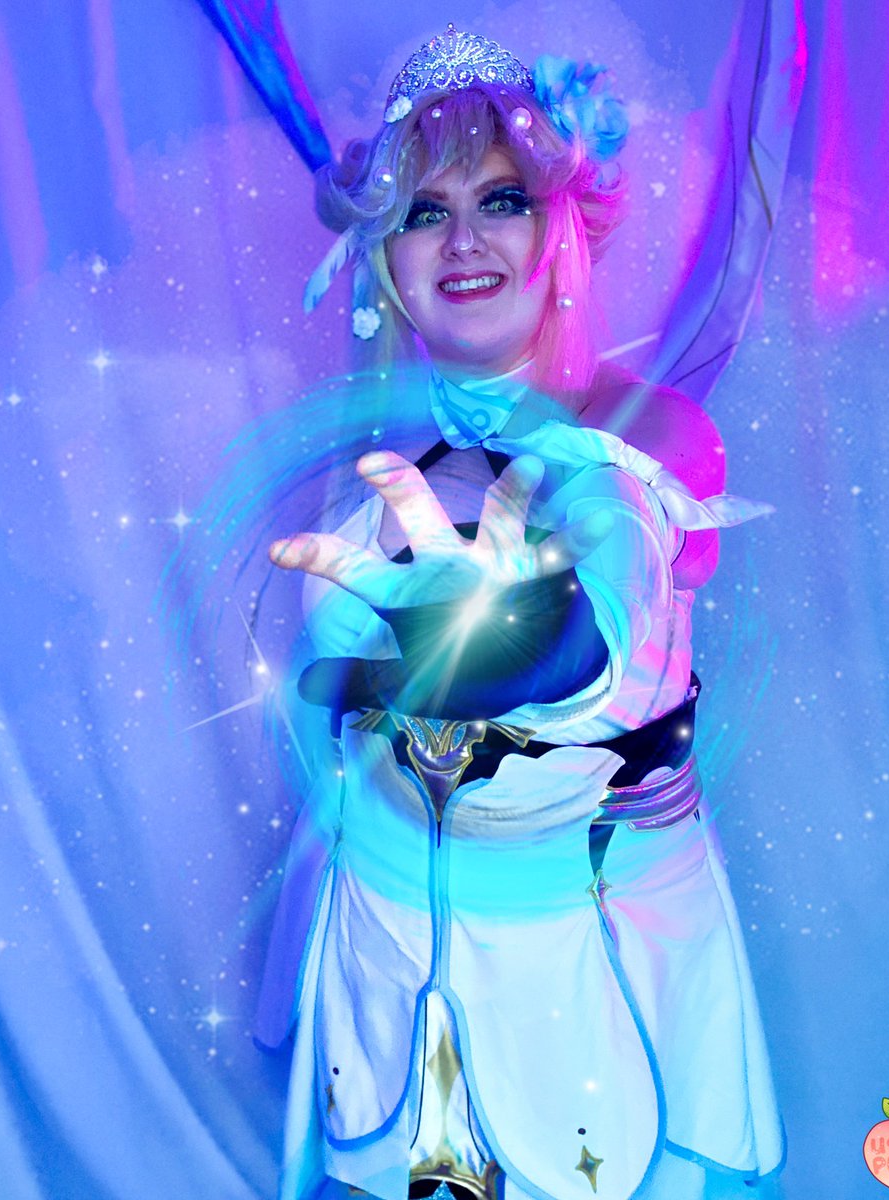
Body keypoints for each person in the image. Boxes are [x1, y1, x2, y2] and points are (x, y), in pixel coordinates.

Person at [253, 25, 784, 1200]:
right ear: (385, 254)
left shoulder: (642, 445)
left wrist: (530, 655)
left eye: (501, 198)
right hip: (393, 966)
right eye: (424, 211)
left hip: (589, 973)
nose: (464, 240)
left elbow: (613, 649)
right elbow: (337, 698)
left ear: (564, 227)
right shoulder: (366, 473)